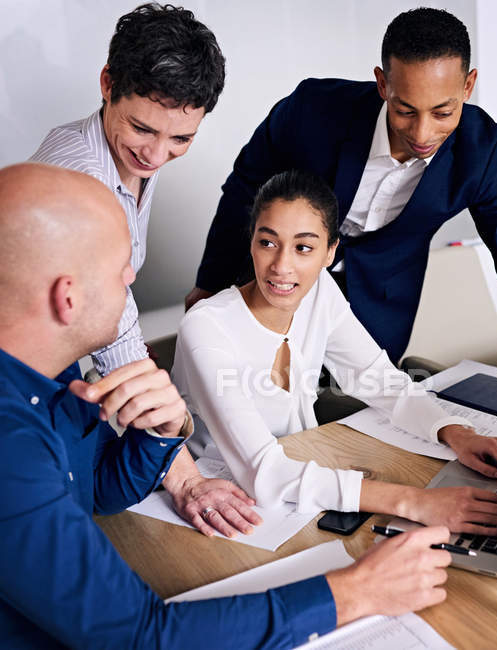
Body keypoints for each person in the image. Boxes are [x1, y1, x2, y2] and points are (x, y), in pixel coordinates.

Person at [0, 162, 453, 649]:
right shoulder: (11, 451)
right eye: (120, 269)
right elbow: (142, 638)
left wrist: (161, 433)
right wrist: (352, 593)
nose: (132, 277)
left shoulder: (56, 373)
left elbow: (97, 488)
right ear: (67, 297)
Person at [186, 8, 497, 460]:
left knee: (372, 430)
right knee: (258, 424)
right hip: (277, 284)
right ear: (383, 84)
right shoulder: (313, 111)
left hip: (380, 301)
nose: (424, 133)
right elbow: (245, 188)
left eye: (444, 112)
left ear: (468, 85)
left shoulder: (484, 152)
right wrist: (209, 284)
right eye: (405, 110)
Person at [174, 170, 497, 536]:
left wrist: (455, 433)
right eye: (268, 242)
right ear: (251, 241)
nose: (282, 266)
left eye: (303, 247)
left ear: (330, 252)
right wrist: (412, 502)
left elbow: (377, 378)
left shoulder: (320, 294)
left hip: (306, 489)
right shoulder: (207, 326)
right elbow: (262, 470)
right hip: (223, 506)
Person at [29, 2, 256, 538]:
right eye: (143, 128)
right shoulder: (79, 179)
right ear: (108, 83)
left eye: (181, 139)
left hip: (64, 365)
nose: (157, 154)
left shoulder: (125, 154)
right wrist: (186, 480)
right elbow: (116, 338)